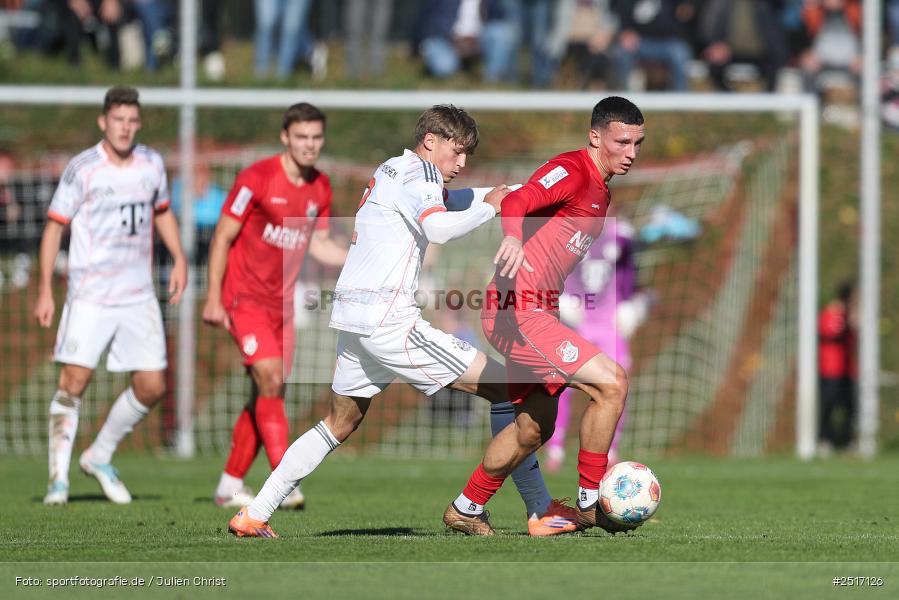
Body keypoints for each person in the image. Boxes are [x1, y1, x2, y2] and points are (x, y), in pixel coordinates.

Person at [227, 105, 575, 538]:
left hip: (354, 317)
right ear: (431, 141)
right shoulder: (422, 176)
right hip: (390, 322)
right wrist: (491, 208)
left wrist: (521, 191)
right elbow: (442, 230)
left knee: (339, 423)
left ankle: (254, 514)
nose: (462, 163)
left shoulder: (394, 168)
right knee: (514, 388)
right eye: (458, 151)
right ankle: (537, 511)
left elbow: (458, 199)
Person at [444, 96, 645, 535]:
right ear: (596, 137)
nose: (630, 153)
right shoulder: (572, 169)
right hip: (517, 311)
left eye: (637, 144)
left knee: (532, 429)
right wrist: (514, 240)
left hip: (538, 311)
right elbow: (517, 201)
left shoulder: (601, 189)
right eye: (622, 141)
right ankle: (591, 503)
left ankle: (466, 507)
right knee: (612, 383)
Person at [34, 85, 188, 505]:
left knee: (153, 385)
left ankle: (99, 454)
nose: (126, 128)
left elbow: (161, 212)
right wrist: (46, 289)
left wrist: (178, 257)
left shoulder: (152, 163)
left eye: (133, 120)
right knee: (74, 380)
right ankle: (58, 481)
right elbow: (54, 227)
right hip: (91, 296)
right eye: (119, 120)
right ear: (104, 122)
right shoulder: (83, 168)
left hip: (138, 295)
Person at [202, 103, 348, 510]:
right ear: (285, 137)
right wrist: (214, 296)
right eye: (301, 137)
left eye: (316, 138)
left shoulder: (320, 187)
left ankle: (229, 485)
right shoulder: (256, 178)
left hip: (281, 307)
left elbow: (319, 243)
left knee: (266, 391)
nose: (310, 145)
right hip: (243, 297)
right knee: (270, 380)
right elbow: (222, 237)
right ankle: (285, 482)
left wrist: (360, 254)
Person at [546, 215, 651, 471]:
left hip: (610, 324)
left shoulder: (621, 233)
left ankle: (611, 449)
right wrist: (562, 299)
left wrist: (630, 303)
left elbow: (631, 261)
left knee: (617, 383)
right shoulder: (570, 235)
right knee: (562, 386)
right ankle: (556, 449)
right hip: (578, 323)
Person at [817, 281, 857, 455]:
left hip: (848, 370)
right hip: (830, 369)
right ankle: (825, 440)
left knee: (850, 407)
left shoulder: (850, 315)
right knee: (829, 405)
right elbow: (831, 335)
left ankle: (847, 441)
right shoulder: (832, 314)